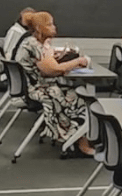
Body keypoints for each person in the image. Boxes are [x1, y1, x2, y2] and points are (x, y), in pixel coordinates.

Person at [14, 12, 94, 156]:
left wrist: (57, 57)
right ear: (39, 28)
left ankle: (78, 137)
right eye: (50, 24)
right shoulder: (33, 45)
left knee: (72, 93)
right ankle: (81, 143)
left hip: (38, 86)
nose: (54, 27)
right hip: (40, 90)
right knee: (78, 99)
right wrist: (78, 61)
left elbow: (45, 64)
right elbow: (53, 69)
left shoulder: (35, 43)